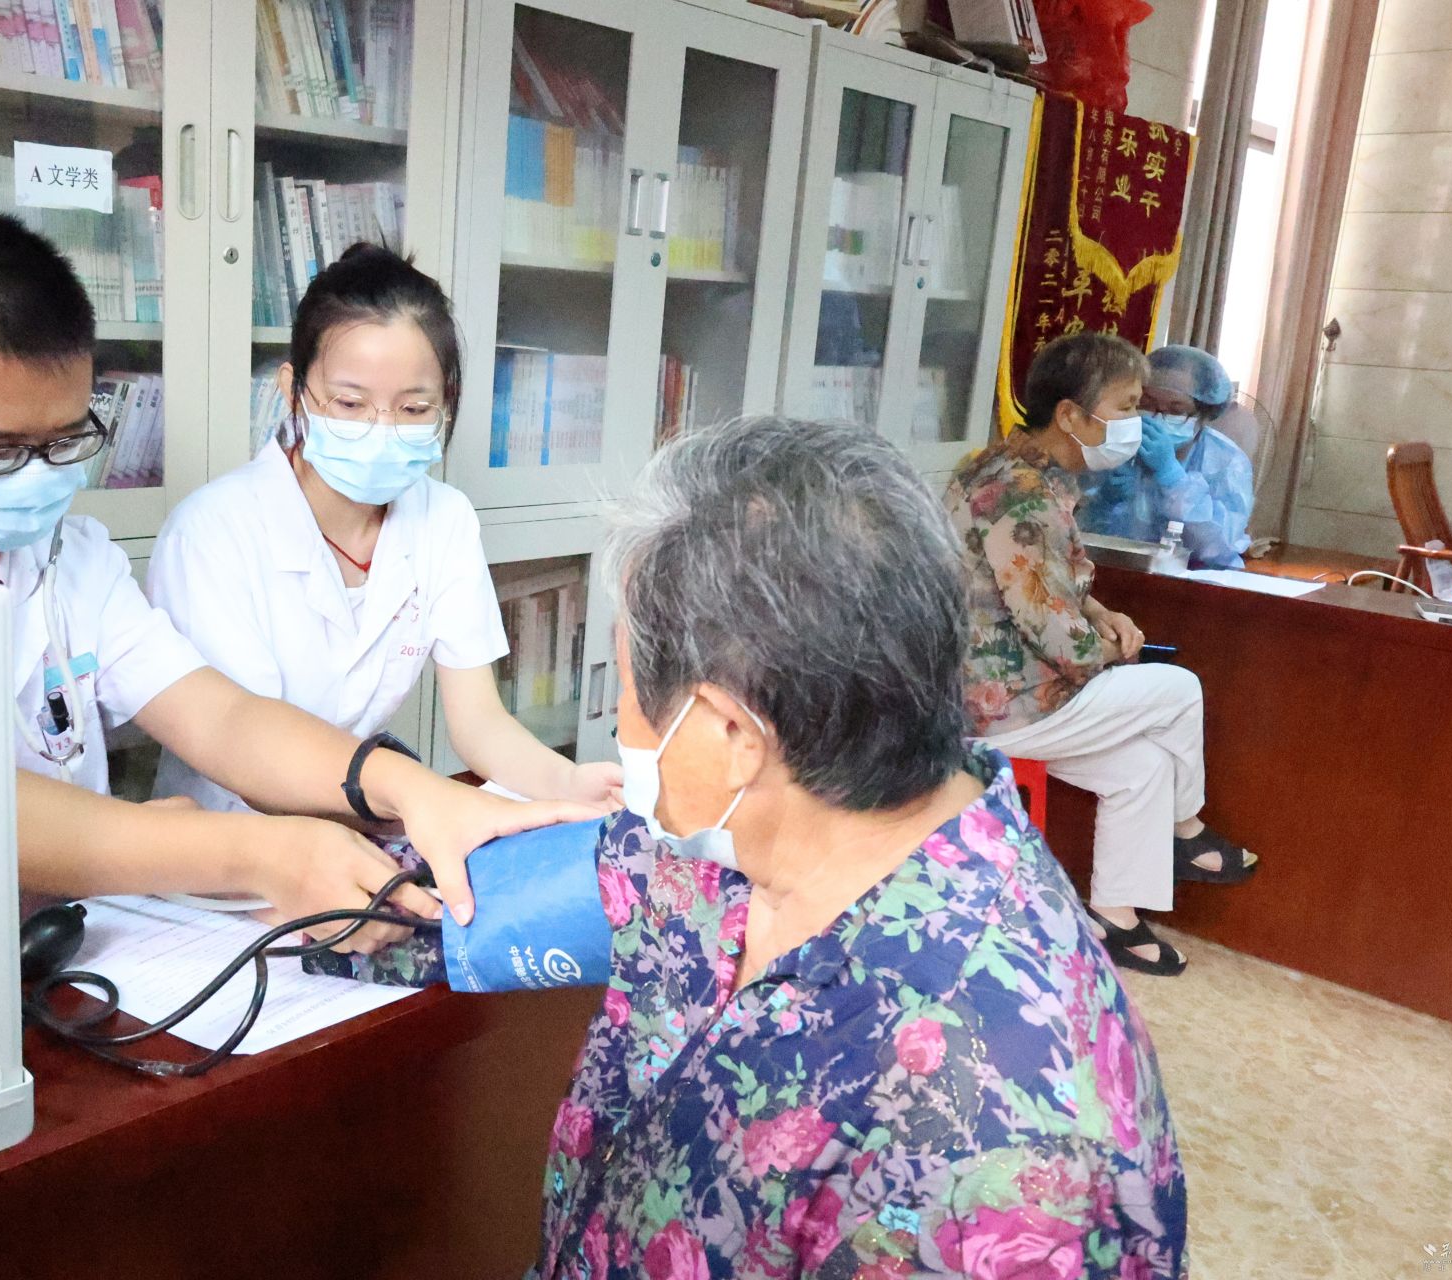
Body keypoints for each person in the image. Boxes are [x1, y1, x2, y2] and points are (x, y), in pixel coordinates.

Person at [320, 417, 1189, 1277]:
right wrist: (292, 864)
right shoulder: (722, 849)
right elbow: (428, 906)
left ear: (730, 733)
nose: (620, 725)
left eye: (628, 691)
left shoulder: (1008, 1160)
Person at [0, 205, 586, 947]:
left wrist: (405, 788)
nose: (40, 477)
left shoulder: (73, 555)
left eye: (66, 440)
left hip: (46, 952)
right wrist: (257, 849)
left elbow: (219, 716)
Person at [146, 244, 621, 813]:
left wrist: (569, 784)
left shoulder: (444, 519)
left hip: (367, 811)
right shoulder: (212, 533)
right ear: (293, 391)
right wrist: (422, 807)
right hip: (233, 832)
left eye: (414, 409)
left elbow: (479, 722)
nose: (382, 429)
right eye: (350, 403)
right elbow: (248, 757)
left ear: (446, 402)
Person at [946, 331, 1257, 977]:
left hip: (1001, 689)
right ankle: (1187, 832)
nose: (1138, 423)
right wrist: (1112, 652)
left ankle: (1115, 919)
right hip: (994, 704)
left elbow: (1050, 580)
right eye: (1128, 406)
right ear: (1071, 415)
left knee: (1142, 767)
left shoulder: (1012, 468)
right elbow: (1057, 636)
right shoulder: (1021, 494)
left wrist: (1101, 612)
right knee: (1179, 688)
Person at [1078, 343, 1255, 569]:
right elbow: (1078, 534)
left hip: (1195, 579)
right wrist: (1104, 501)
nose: (1157, 418)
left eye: (1176, 410)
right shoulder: (1112, 443)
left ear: (1204, 414)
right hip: (1118, 571)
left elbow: (1220, 547)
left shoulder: (1226, 460)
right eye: (1147, 404)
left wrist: (1172, 476)